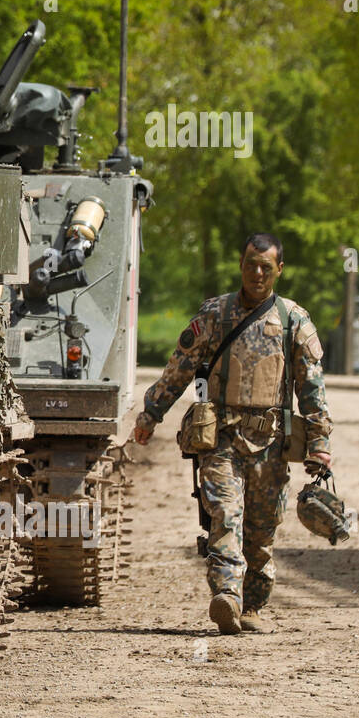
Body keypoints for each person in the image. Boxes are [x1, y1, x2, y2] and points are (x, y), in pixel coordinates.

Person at [132, 233, 332, 636]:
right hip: (220, 438)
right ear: (241, 265)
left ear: (279, 269)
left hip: (272, 445)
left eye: (265, 266)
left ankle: (253, 604)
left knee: (262, 529)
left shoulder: (294, 320)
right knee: (225, 514)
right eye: (250, 264)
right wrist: (150, 413)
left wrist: (320, 444)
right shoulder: (214, 315)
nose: (256, 273)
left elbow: (311, 388)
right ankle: (226, 594)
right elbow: (180, 368)